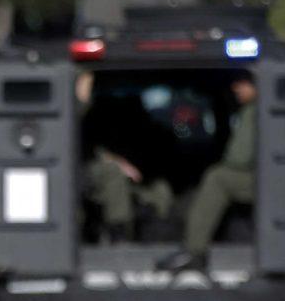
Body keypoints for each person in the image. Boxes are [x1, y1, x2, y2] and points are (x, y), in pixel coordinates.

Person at [156, 72, 258, 273]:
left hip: (264, 180)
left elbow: (239, 158)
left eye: (242, 83)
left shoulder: (255, 111)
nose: (236, 87)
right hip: (270, 178)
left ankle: (194, 252)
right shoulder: (251, 109)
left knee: (217, 178)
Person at [78, 74, 174, 243]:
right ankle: (119, 235)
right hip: (95, 177)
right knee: (114, 176)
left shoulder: (143, 131)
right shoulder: (95, 122)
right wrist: (118, 162)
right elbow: (93, 149)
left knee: (160, 190)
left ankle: (160, 238)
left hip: (135, 182)